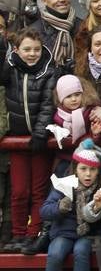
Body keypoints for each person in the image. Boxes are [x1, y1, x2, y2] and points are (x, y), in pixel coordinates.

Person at [38, 141, 101, 271]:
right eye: (83, 169)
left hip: (86, 235)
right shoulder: (64, 185)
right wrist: (60, 207)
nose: (88, 174)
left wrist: (99, 207)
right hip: (63, 233)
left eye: (92, 170)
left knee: (82, 251)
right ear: (75, 168)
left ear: (98, 172)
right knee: (55, 254)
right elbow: (44, 210)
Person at [0, 27, 56, 253]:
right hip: (17, 138)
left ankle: (35, 234)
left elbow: (47, 104)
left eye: (36, 49)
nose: (32, 54)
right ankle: (19, 234)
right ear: (17, 50)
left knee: (39, 190)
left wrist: (41, 132)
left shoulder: (49, 72)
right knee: (19, 190)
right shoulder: (10, 70)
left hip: (39, 140)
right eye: (26, 49)